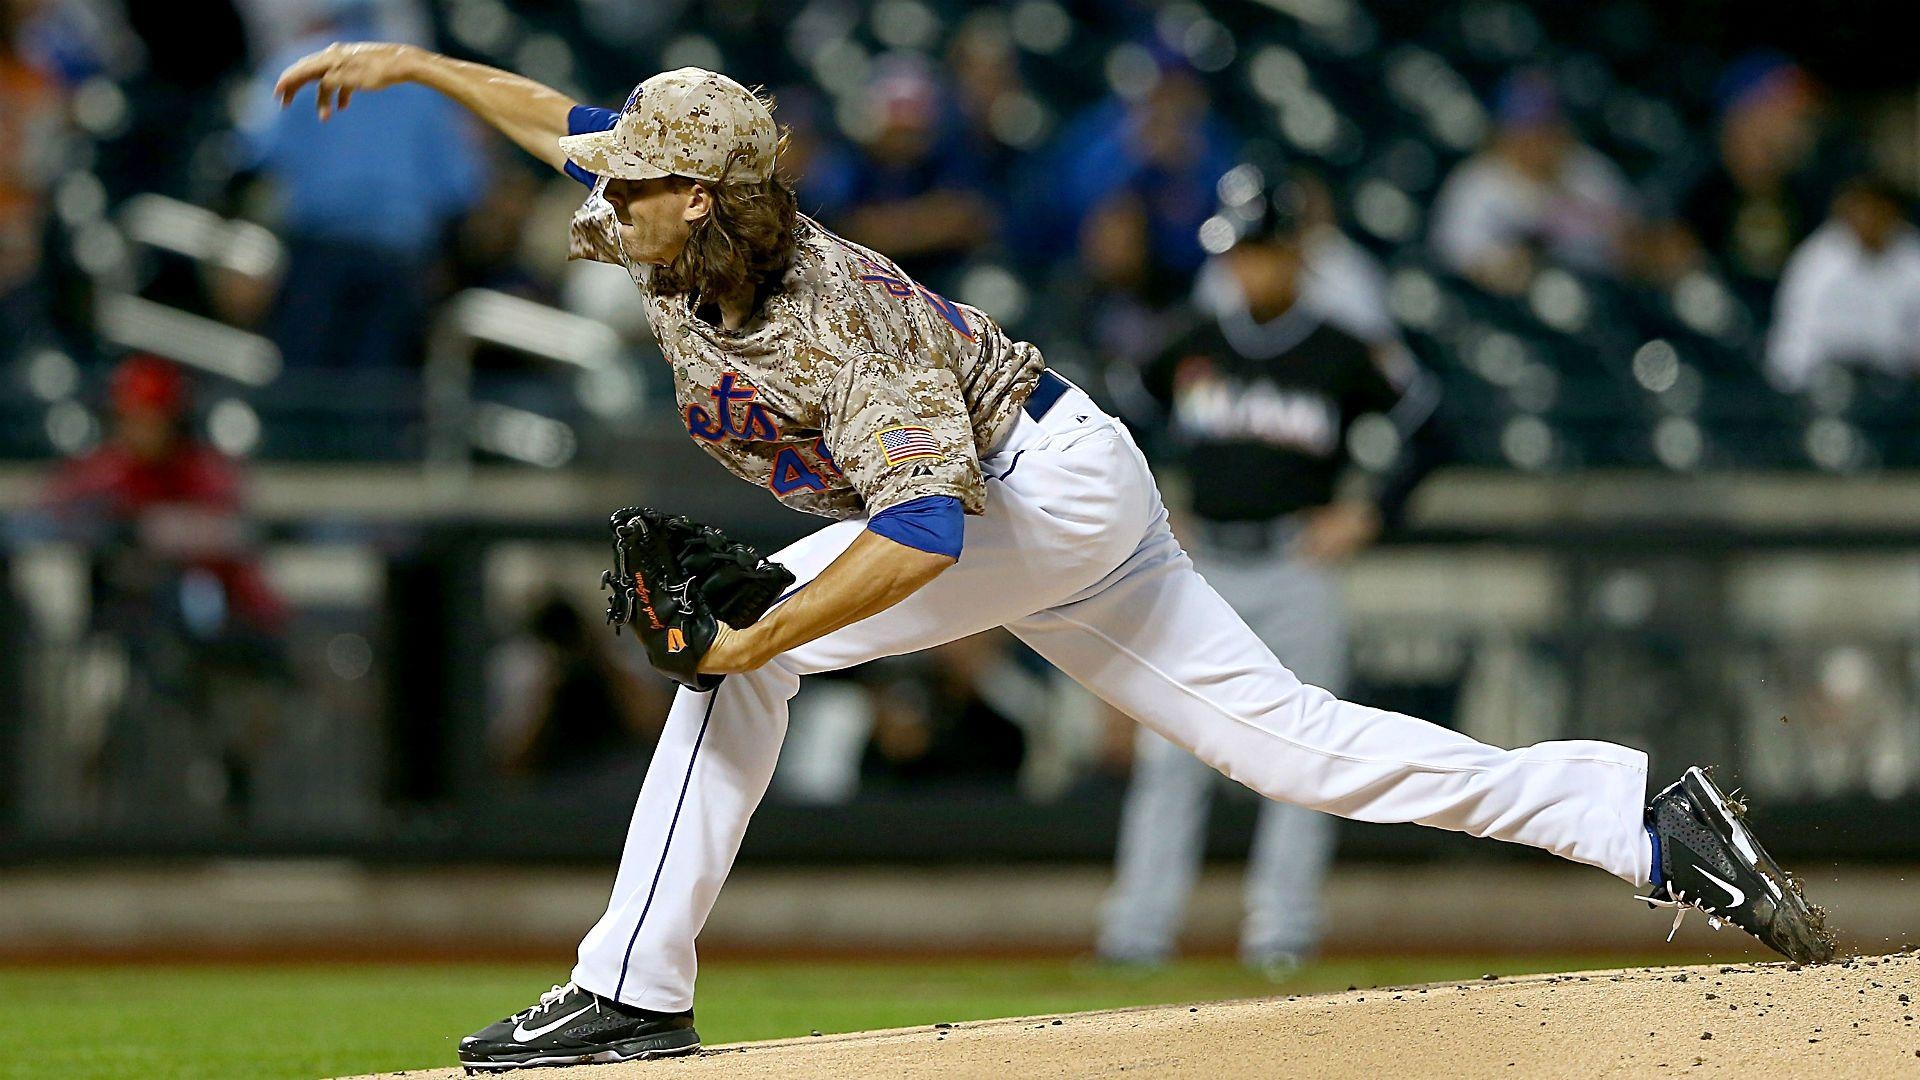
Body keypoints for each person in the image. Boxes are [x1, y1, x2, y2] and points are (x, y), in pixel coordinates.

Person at [274, 43, 1833, 1070]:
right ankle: (1642, 817)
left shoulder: (840, 318)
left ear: (712, 195)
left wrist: (760, 639)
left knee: (734, 651)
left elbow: (926, 532)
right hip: (1065, 491)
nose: (606, 190)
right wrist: (408, 64)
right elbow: (559, 120)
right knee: (1290, 747)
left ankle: (631, 989)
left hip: (1033, 489)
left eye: (639, 180)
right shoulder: (676, 206)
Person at [1099, 170, 1437, 975]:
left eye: (1260, 252)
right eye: (1238, 252)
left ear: (1296, 254)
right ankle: (1135, 935)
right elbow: (1112, 421)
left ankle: (1282, 932)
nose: (1246, 269)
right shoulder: (1194, 341)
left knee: (1303, 757)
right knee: (1170, 759)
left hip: (1294, 566)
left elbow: (1434, 427)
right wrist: (1146, 505)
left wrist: (1371, 511)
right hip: (1200, 564)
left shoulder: (1341, 349)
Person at [1428, 69, 1636, 295]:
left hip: (1600, 298)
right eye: (1523, 132)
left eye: (1542, 130)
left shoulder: (1589, 171)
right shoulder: (1475, 185)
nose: (1534, 143)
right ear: (1501, 134)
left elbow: (1631, 243)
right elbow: (1457, 259)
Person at [1765, 175, 1920, 393]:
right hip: (1827, 386)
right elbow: (1792, 341)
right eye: (1858, 209)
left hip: (1897, 385)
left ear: (1893, 211)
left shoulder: (1913, 256)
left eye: (1875, 209)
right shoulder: (1817, 260)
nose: (1867, 218)